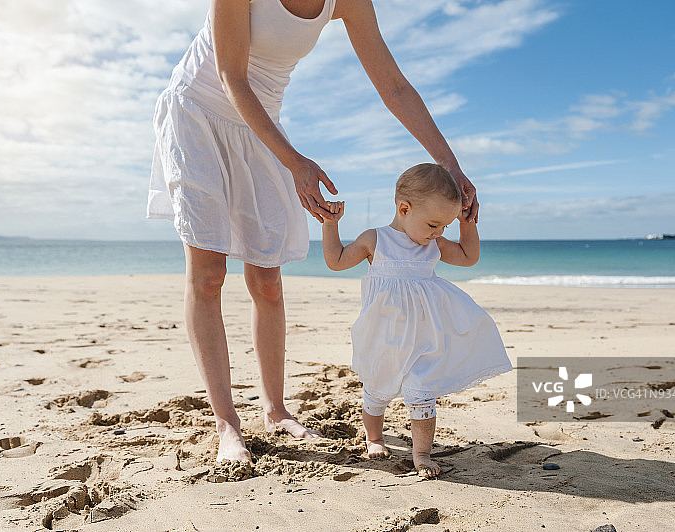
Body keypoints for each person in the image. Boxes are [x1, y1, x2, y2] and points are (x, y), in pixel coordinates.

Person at [146, 0, 480, 464]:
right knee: (207, 275)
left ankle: (275, 410)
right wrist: (295, 163)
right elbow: (232, 79)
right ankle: (227, 424)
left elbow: (395, 88)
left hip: (262, 125)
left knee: (266, 278)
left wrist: (450, 164)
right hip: (199, 111)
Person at [321, 163, 513, 477]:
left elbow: (468, 257)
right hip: (384, 337)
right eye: (433, 224)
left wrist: (467, 224)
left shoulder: (432, 245)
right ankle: (374, 437)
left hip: (424, 338)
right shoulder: (376, 240)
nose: (438, 233)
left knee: (422, 390)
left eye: (444, 228)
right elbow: (337, 261)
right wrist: (330, 225)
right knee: (376, 391)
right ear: (404, 209)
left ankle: (421, 454)